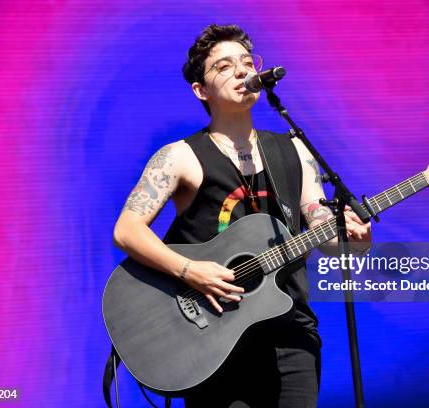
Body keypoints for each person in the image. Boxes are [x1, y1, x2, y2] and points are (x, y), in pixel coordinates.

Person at [113, 23, 371, 408]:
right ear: (200, 90)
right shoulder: (180, 157)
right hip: (213, 338)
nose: (240, 71)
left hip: (291, 331)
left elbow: (318, 221)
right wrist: (190, 270)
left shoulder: (292, 150)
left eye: (247, 62)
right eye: (223, 66)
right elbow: (127, 231)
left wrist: (352, 240)